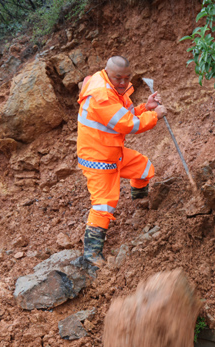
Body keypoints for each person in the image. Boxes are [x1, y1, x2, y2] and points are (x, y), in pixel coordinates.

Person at [76, 55, 167, 267]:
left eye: (127, 78)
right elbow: (127, 124)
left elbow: (125, 114)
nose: (124, 83)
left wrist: (146, 107)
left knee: (144, 168)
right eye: (119, 78)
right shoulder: (101, 96)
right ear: (107, 73)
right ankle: (91, 254)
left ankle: (140, 205)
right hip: (98, 158)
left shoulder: (111, 88)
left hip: (112, 152)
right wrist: (156, 116)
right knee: (104, 205)